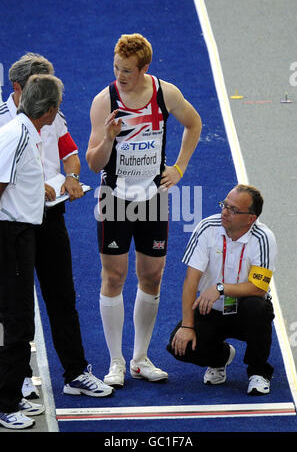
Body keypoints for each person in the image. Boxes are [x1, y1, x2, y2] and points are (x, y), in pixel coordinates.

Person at [86, 33, 202, 387]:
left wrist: (179, 168)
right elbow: (93, 164)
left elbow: (194, 124)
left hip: (153, 198)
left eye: (127, 70)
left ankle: (139, 358)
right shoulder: (105, 101)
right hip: (116, 199)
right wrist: (108, 138)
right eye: (116, 68)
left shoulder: (165, 93)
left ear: (144, 68)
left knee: (152, 277)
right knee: (114, 278)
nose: (119, 75)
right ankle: (116, 361)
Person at [0, 53, 112, 401]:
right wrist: (34, 186)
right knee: (12, 308)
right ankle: (14, 379)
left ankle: (75, 372)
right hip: (16, 222)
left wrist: (73, 177)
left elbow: (70, 152)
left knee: (62, 295)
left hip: (50, 215)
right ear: (18, 87)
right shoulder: (7, 124)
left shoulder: (51, 114)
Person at [167, 184, 277, 395]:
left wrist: (220, 288)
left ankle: (259, 372)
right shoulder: (207, 228)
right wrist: (188, 326)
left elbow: (258, 288)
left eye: (234, 210)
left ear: (250, 218)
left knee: (258, 308)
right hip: (212, 309)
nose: (225, 212)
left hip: (246, 309)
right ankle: (221, 357)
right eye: (225, 205)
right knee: (178, 347)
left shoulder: (264, 238)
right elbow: (191, 280)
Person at [0, 74, 63, 429]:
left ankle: (11, 395)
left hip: (18, 232)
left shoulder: (24, 132)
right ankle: (6, 403)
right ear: (50, 109)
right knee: (17, 320)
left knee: (17, 319)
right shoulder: (20, 135)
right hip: (11, 236)